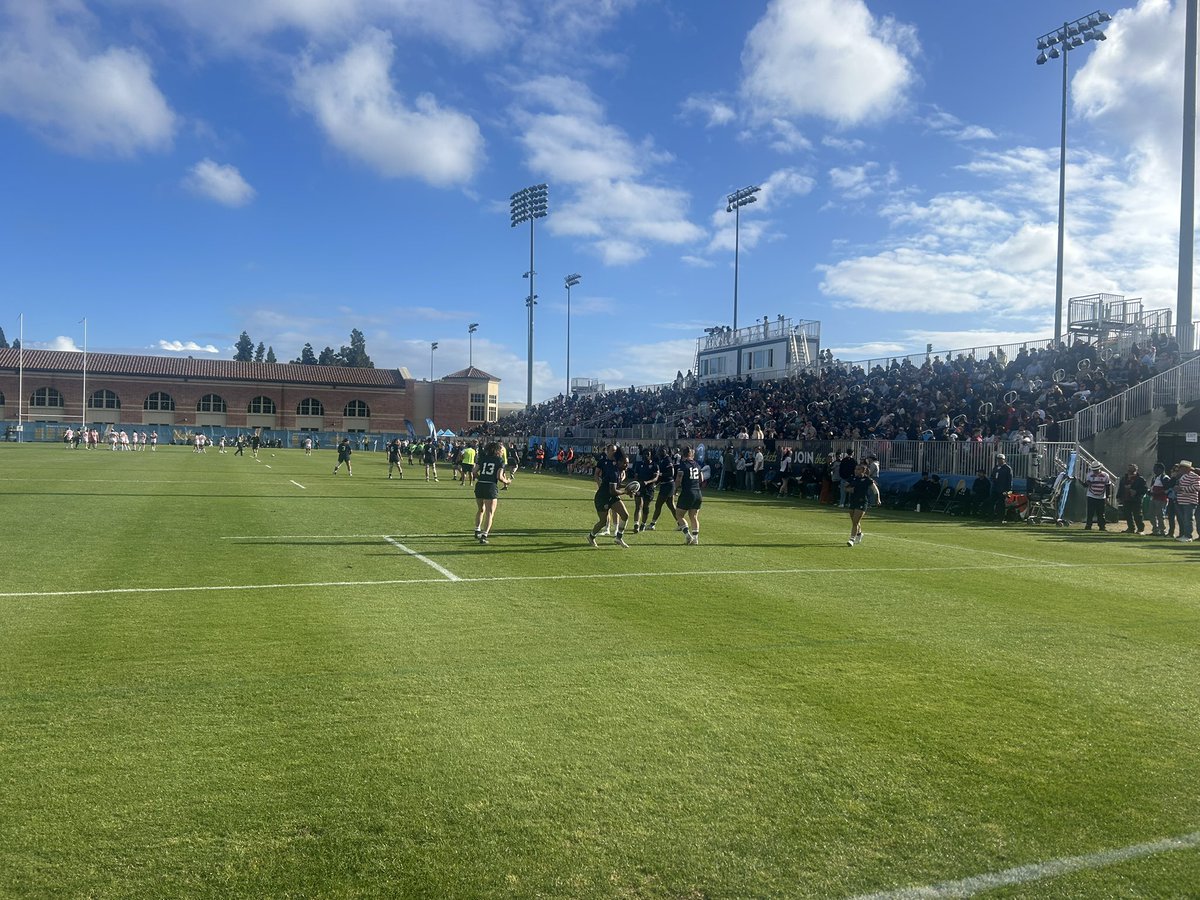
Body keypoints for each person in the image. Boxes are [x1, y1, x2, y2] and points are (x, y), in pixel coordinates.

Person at [587, 445, 631, 548]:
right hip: (602, 498)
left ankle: (618, 538)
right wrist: (626, 491)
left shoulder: (618, 471)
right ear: (619, 462)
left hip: (611, 497)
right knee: (603, 522)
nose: (626, 465)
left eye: (628, 463)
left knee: (625, 515)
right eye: (625, 463)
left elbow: (618, 485)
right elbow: (613, 491)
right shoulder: (613, 472)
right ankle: (591, 536)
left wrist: (629, 488)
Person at [472, 441, 511, 544]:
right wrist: (507, 481)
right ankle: (484, 535)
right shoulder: (500, 461)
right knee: (490, 513)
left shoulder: (483, 458)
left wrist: (481, 478)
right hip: (490, 486)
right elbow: (499, 477)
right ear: (497, 450)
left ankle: (477, 530)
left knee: (480, 509)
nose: (502, 452)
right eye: (501, 450)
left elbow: (474, 472)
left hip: (480, 485)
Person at [845, 462, 881, 546]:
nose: (856, 471)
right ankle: (859, 533)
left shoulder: (867, 480)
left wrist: (878, 499)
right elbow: (845, 487)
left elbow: (875, 490)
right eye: (855, 469)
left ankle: (851, 539)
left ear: (863, 470)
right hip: (853, 501)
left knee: (855, 522)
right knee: (855, 521)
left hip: (862, 502)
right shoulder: (852, 478)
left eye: (858, 469)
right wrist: (848, 489)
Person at [674, 445, 705, 544]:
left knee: (679, 515)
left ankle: (688, 536)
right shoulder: (697, 464)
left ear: (683, 454)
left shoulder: (683, 465)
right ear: (691, 453)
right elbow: (702, 479)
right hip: (697, 492)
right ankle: (695, 539)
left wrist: (675, 489)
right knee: (694, 516)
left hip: (687, 492)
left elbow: (678, 480)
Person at [648, 446, 679, 531]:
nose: (658, 453)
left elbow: (671, 473)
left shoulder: (667, 460)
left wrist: (660, 474)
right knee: (671, 506)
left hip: (668, 485)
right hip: (665, 484)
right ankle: (681, 523)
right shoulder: (661, 460)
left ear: (665, 451)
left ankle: (652, 524)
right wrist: (656, 484)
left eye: (660, 451)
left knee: (658, 504)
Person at [631, 448, 659, 533]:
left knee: (646, 507)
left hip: (649, 489)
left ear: (651, 455)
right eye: (644, 454)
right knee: (638, 505)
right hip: (640, 487)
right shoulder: (639, 465)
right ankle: (636, 524)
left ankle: (643, 524)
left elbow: (656, 478)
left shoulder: (655, 466)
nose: (646, 456)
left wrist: (647, 482)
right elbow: (636, 476)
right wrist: (636, 485)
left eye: (648, 454)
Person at [1116, 463, 1147, 534]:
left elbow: (1144, 489)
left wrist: (1136, 491)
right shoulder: (1124, 478)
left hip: (1136, 499)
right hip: (1126, 499)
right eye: (1129, 469)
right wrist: (1118, 497)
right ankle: (1131, 528)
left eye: (1132, 469)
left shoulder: (1140, 479)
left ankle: (1140, 529)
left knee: (1137, 515)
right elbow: (1120, 488)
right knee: (1127, 514)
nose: (1130, 471)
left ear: (1136, 470)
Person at [1173, 459, 1199, 542]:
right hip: (1181, 500)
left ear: (1187, 468)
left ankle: (1188, 536)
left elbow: (1197, 487)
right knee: (1183, 519)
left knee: (1188, 519)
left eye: (1182, 468)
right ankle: (1184, 534)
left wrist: (1182, 488)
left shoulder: (1195, 476)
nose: (1180, 469)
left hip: (1190, 501)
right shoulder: (1182, 476)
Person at [1083, 462, 1111, 531]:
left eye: (1096, 469)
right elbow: (1085, 485)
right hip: (1091, 496)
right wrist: (1087, 483)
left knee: (1101, 513)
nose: (1095, 471)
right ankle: (1088, 525)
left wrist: (1107, 497)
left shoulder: (1105, 475)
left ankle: (1102, 526)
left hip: (1101, 497)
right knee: (1090, 512)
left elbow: (1107, 487)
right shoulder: (1089, 475)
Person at [990, 453, 1013, 523]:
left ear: (1004, 460)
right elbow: (992, 476)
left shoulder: (1007, 468)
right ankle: (991, 517)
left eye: (1000, 459)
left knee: (1001, 504)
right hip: (995, 488)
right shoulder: (995, 468)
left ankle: (1001, 518)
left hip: (1003, 489)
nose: (999, 461)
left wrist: (1009, 491)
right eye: (998, 459)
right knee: (991, 502)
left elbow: (1010, 480)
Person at [1148, 462, 1169, 537]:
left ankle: (1162, 530)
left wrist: (1158, 493)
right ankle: (1155, 530)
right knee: (1151, 514)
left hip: (1161, 499)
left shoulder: (1165, 478)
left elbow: (1167, 489)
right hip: (1153, 498)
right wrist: (1150, 492)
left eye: (1155, 468)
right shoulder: (1154, 478)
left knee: (1160, 515)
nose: (1154, 470)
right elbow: (1152, 487)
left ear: (1161, 469)